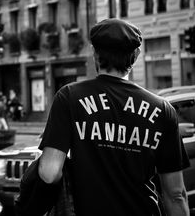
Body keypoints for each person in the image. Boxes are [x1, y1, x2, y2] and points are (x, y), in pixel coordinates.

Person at [17, 18, 190, 216]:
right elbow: (176, 195)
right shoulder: (163, 110)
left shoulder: (69, 98)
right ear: (136, 54)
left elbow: (49, 173)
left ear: (95, 54)